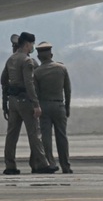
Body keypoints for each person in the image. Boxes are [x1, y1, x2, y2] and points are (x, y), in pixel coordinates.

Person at [3, 32, 54, 175]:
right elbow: (29, 83)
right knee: (34, 133)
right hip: (25, 101)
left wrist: (5, 102)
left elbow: (3, 80)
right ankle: (42, 164)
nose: (32, 47)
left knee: (12, 135)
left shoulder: (10, 59)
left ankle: (10, 166)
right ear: (27, 44)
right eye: (31, 44)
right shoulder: (27, 61)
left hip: (13, 101)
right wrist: (36, 104)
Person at [34, 42, 72, 173]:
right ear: (51, 54)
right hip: (59, 105)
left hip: (44, 106)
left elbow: (36, 93)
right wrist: (67, 107)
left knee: (46, 136)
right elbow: (68, 90)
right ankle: (66, 166)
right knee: (62, 136)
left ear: (39, 57)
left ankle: (50, 162)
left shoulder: (37, 72)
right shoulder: (61, 68)